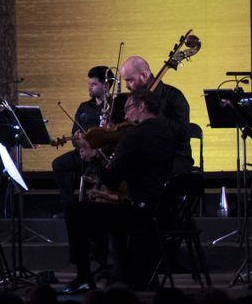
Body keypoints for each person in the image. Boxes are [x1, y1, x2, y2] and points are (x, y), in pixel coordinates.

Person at [64, 88, 179, 290]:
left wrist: (94, 157)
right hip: (161, 210)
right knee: (110, 213)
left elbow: (112, 182)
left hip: (138, 214)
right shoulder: (167, 133)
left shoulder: (134, 136)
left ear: (141, 106)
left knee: (74, 211)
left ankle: (84, 277)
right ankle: (122, 273)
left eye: (128, 109)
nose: (125, 116)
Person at [118, 55, 194, 174]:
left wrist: (152, 117)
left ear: (144, 76)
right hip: (146, 156)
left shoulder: (174, 96)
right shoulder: (133, 101)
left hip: (175, 157)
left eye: (130, 80)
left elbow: (183, 134)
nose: (127, 86)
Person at [53, 67, 115, 207]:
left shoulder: (115, 106)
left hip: (104, 155)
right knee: (59, 164)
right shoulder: (84, 107)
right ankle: (68, 207)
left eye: (94, 84)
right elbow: (75, 132)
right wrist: (79, 141)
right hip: (84, 152)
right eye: (89, 84)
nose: (90, 87)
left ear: (105, 86)